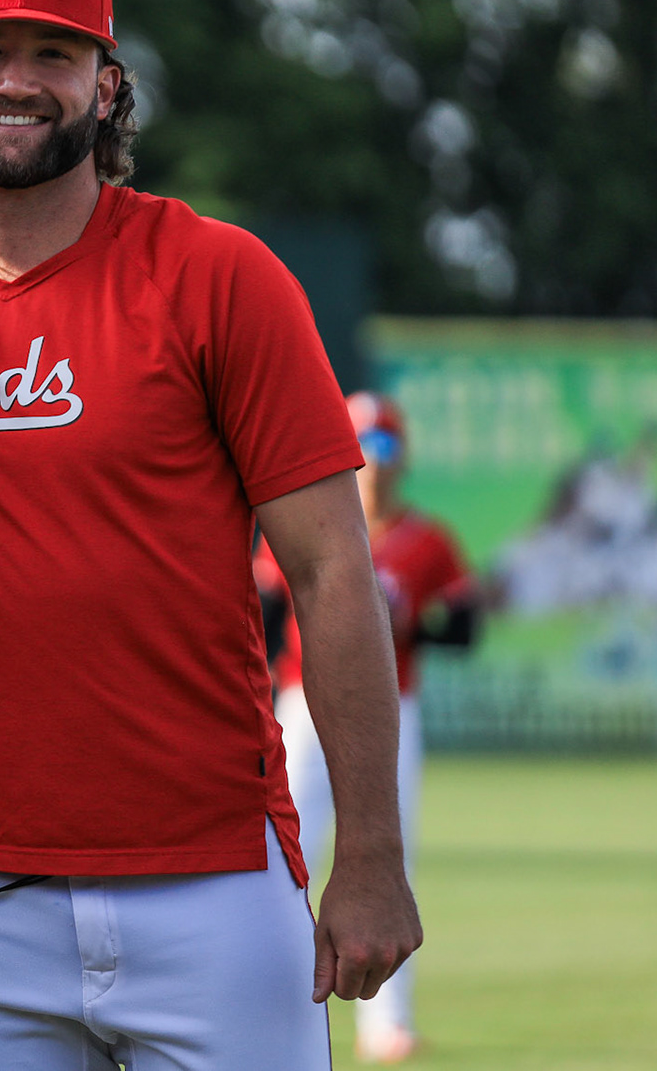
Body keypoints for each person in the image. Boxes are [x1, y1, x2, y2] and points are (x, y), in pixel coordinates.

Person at [0, 0, 423, 1070]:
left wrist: (371, 853)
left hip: (209, 876)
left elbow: (330, 568)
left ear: (105, 87)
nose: (16, 79)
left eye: (54, 53)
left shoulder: (218, 275)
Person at [257, 390, 477, 1063]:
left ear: (402, 454)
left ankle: (386, 1025)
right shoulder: (304, 525)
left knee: (386, 861)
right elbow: (264, 613)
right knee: (283, 856)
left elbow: (465, 627)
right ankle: (270, 1003)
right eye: (362, 447)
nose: (375, 463)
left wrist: (413, 630)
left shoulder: (427, 539)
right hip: (299, 702)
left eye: (384, 445)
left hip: (392, 711)